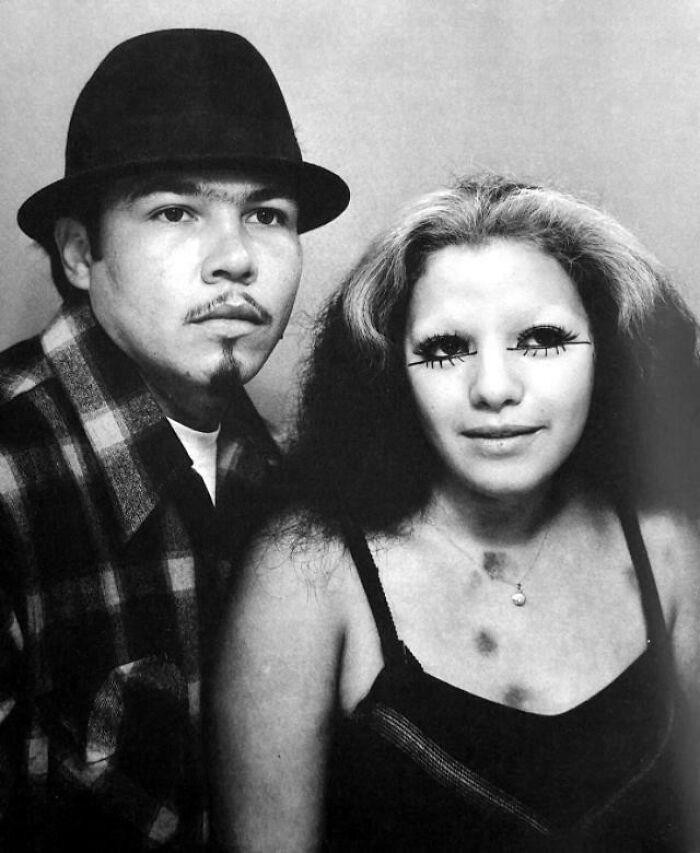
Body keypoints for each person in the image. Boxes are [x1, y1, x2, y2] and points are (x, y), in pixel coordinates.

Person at [212, 174, 700, 851]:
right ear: (391, 371)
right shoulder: (308, 571)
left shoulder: (668, 542)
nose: (494, 388)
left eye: (542, 339)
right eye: (445, 349)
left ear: (608, 349)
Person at [0, 28, 348, 852]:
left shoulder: (288, 475)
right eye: (174, 211)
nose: (235, 258)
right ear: (79, 253)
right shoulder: (11, 472)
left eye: (267, 214)